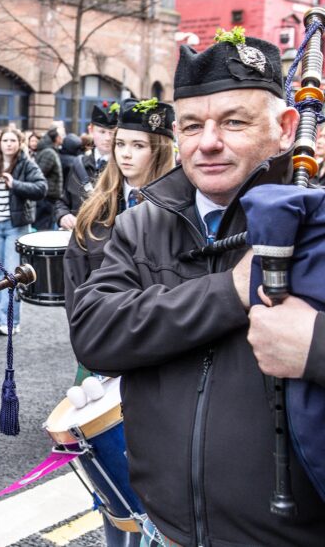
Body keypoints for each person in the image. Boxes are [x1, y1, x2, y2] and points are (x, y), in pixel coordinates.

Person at [69, 33, 325, 545]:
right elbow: (95, 333)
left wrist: (316, 348)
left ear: (286, 127)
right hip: (165, 528)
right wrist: (230, 290)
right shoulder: (142, 224)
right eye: (191, 125)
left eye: (234, 121)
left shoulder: (318, 228)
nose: (208, 142)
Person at [63, 98, 176, 547]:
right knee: (114, 487)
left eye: (139, 146)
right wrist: (93, 348)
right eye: (121, 144)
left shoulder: (180, 212)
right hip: (103, 360)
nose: (125, 154)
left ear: (161, 151)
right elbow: (77, 292)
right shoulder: (97, 210)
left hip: (160, 362)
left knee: (162, 487)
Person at [0, 128, 46, 334]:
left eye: (12, 140)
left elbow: (41, 189)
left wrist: (15, 184)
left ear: (19, 142)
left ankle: (11, 321)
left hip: (16, 226)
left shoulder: (26, 164)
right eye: (5, 140)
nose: (8, 144)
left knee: (13, 275)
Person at [55, 104, 118, 230]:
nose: (107, 138)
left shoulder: (121, 168)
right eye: (102, 132)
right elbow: (62, 201)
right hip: (77, 236)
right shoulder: (78, 164)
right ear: (91, 130)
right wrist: (63, 215)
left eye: (112, 133)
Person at [33, 126, 64, 230]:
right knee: (43, 229)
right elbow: (40, 173)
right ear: (56, 138)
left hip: (48, 198)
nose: (62, 138)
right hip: (46, 198)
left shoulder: (49, 150)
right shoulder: (49, 152)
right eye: (61, 136)